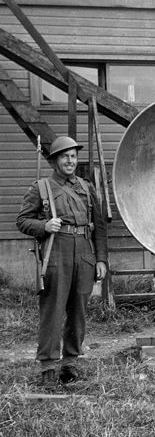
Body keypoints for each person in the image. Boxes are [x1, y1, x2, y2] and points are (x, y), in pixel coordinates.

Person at [17, 136, 108, 385]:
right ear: (55, 160)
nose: (70, 161)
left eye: (74, 156)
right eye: (65, 156)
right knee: (53, 311)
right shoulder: (42, 187)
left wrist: (101, 260)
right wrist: (44, 225)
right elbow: (22, 221)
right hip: (56, 252)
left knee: (78, 311)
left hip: (85, 254)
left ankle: (70, 362)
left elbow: (99, 227)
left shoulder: (86, 187)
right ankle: (48, 366)